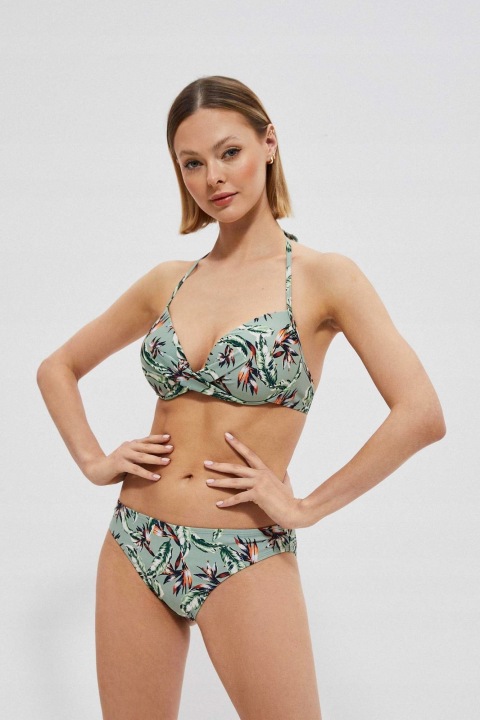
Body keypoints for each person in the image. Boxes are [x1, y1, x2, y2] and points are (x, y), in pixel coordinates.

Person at [36, 75, 446, 720]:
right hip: (135, 539)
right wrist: (94, 461)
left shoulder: (324, 278)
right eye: (192, 163)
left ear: (269, 143)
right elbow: (57, 368)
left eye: (229, 152)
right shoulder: (169, 282)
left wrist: (306, 507)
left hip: (246, 547)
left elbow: (421, 413)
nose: (214, 178)